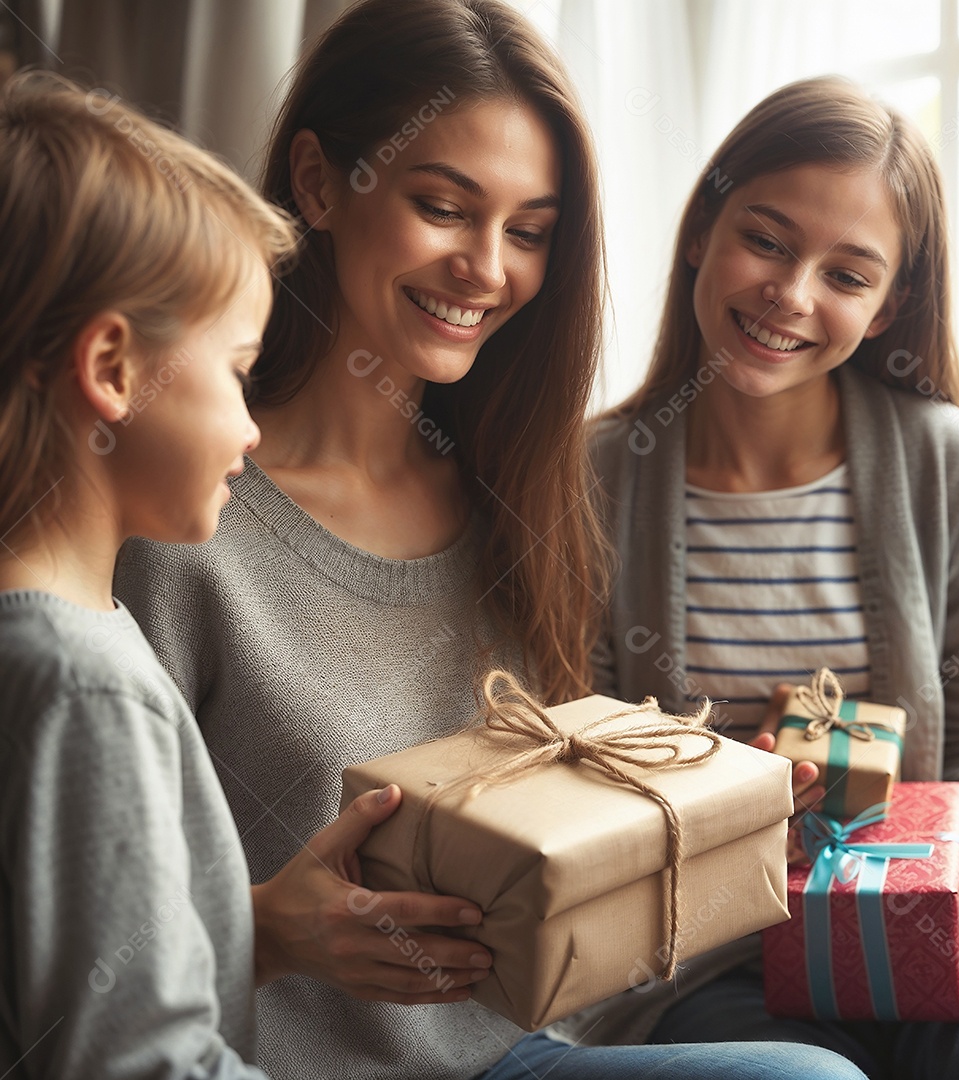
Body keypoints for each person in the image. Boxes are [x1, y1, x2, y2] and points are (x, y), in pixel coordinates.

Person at [114, 4, 867, 1079]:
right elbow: (73, 939)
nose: (486, 267)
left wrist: (708, 814)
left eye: (528, 231)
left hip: (517, 1055)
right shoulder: (180, 522)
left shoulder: (522, 493)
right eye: (443, 207)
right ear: (319, 184)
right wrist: (270, 929)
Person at [586, 74, 959, 1079]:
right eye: (765, 240)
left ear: (891, 304)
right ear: (701, 230)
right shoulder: (595, 474)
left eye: (847, 275)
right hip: (708, 949)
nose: (791, 293)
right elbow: (582, 757)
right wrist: (728, 785)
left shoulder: (954, 464)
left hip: (949, 910)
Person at [0, 72, 400, 1078]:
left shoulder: (59, 637)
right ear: (114, 371)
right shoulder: (81, 683)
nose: (251, 425)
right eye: (236, 369)